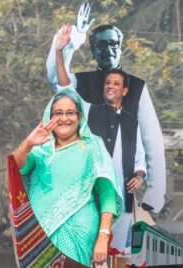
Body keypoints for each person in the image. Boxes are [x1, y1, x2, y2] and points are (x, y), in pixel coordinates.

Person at [46, 5, 166, 214]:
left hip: (122, 186)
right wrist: (73, 41)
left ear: (120, 47)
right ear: (93, 50)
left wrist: (155, 192)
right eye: (101, 45)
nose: (109, 50)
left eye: (113, 44)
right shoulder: (81, 82)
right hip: (84, 186)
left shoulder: (137, 87)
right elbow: (57, 81)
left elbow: (152, 141)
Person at [55, 29, 146, 252]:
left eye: (116, 84)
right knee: (87, 250)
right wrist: (59, 52)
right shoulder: (89, 112)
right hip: (90, 196)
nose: (110, 87)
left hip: (123, 199)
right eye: (107, 83)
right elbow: (65, 88)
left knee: (117, 254)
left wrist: (138, 177)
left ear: (124, 90)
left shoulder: (132, 123)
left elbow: (140, 162)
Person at [11, 88, 122, 266]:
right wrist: (27, 144)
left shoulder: (93, 147)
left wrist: (103, 236)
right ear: (49, 117)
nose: (64, 118)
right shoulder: (40, 150)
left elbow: (107, 194)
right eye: (58, 113)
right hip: (38, 231)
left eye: (70, 113)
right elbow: (15, 169)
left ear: (80, 116)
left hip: (78, 229)